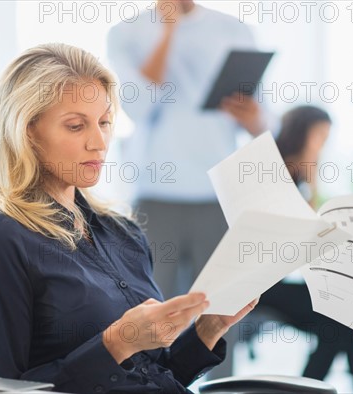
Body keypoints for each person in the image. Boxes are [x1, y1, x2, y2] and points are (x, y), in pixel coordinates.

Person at [0, 43, 259, 394]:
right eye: (76, 126)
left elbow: (151, 374)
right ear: (27, 130)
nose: (99, 142)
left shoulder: (121, 232)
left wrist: (208, 329)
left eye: (105, 122)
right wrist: (117, 343)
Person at [107, 0, 273, 378]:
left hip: (218, 195)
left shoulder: (233, 29)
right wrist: (168, 30)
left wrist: (253, 117)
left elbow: (265, 121)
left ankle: (222, 388)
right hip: (154, 194)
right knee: (151, 311)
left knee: (221, 312)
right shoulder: (125, 33)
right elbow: (139, 107)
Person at [257, 106, 353, 394]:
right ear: (302, 134)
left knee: (344, 308)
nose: (323, 144)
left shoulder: (298, 177)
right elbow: (296, 236)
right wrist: (312, 178)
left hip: (278, 280)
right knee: (340, 317)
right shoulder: (274, 174)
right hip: (258, 285)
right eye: (320, 135)